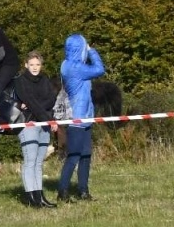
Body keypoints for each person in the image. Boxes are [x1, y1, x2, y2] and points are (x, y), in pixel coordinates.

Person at [58, 33, 106, 202]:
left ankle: (83, 191)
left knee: (86, 155)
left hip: (85, 116)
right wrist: (91, 51)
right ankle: (62, 192)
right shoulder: (76, 68)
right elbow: (100, 69)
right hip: (77, 118)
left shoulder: (67, 65)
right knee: (74, 156)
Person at [13, 52, 58, 209]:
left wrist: (44, 115)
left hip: (44, 124)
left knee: (39, 162)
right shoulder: (20, 81)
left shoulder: (45, 79)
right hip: (29, 124)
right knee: (30, 161)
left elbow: (51, 99)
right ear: (26, 65)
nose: (34, 67)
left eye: (37, 65)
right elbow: (29, 100)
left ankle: (40, 197)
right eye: (31, 64)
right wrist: (45, 115)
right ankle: (30, 197)